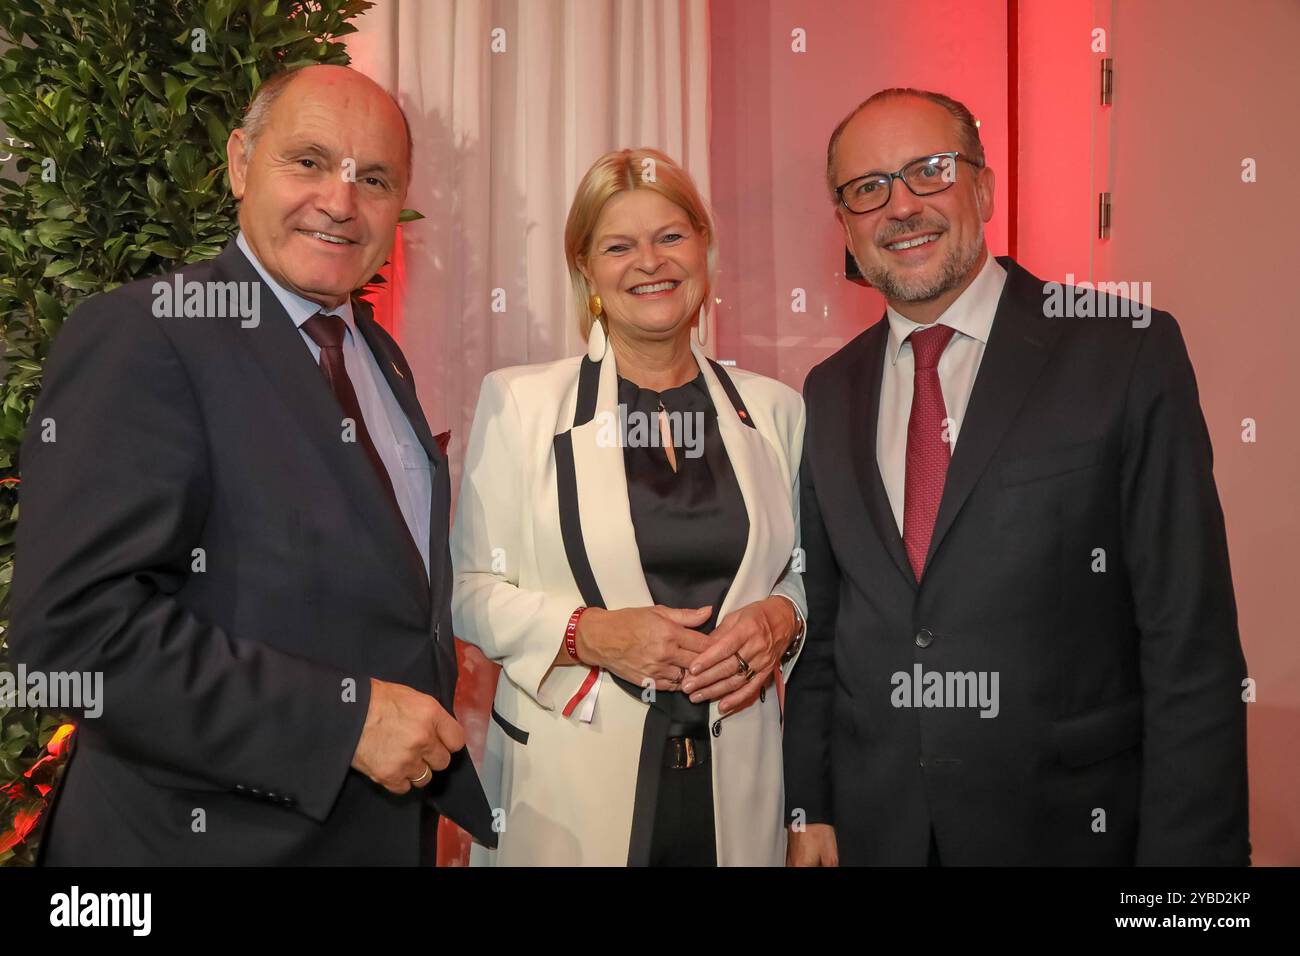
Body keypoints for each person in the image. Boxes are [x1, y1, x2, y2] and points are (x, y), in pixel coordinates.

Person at [9, 65, 493, 864]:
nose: (340, 201)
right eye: (307, 161)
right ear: (239, 163)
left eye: (373, 178)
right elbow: (73, 637)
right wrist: (347, 722)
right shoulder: (145, 335)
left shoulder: (381, 358)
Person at [785, 88, 1249, 866]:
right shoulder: (828, 390)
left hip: (1070, 830)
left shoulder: (1123, 351)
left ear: (984, 187)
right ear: (845, 223)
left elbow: (1190, 645)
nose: (900, 207)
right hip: (876, 832)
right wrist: (811, 807)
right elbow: (827, 635)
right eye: (868, 188)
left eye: (929, 172)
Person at [451, 147, 807, 865]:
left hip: (738, 789)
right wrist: (589, 633)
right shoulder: (520, 404)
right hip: (569, 796)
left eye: (671, 236)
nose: (650, 261)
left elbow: (802, 572)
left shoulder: (776, 411)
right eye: (619, 245)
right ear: (585, 268)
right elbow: (467, 594)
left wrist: (784, 616)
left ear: (703, 247)